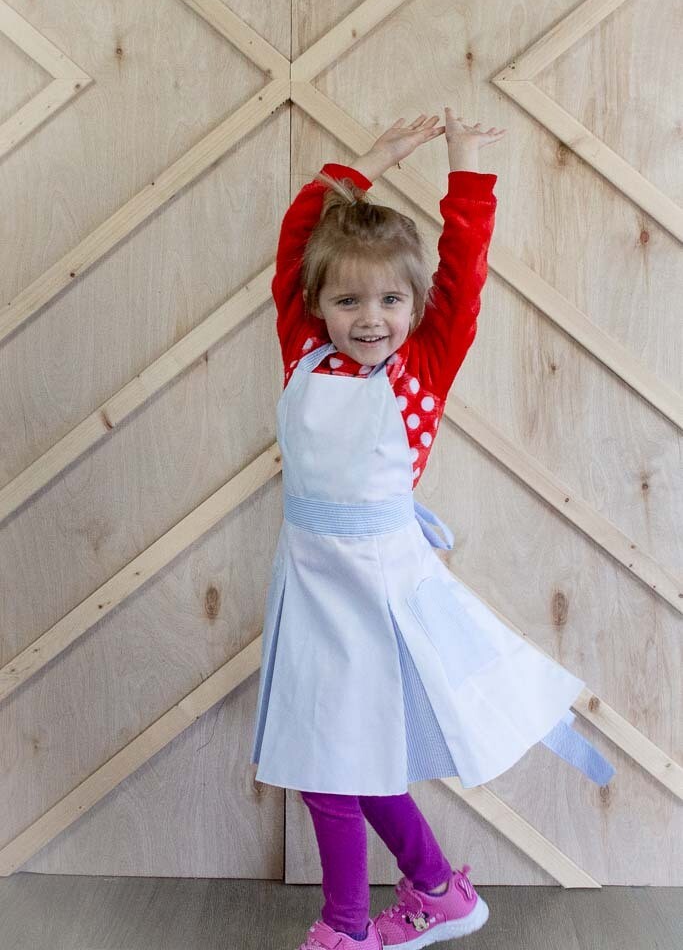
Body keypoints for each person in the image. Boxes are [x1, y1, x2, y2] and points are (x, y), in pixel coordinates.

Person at [250, 110, 616, 950]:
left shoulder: (423, 363)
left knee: (328, 768)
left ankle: (346, 925)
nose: (368, 317)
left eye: (389, 299)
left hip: (382, 600)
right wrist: (369, 162)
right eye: (346, 299)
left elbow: (464, 273)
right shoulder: (302, 348)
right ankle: (437, 891)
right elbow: (297, 229)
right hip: (309, 591)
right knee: (344, 762)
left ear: (415, 308)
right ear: (315, 305)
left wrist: (463, 166)